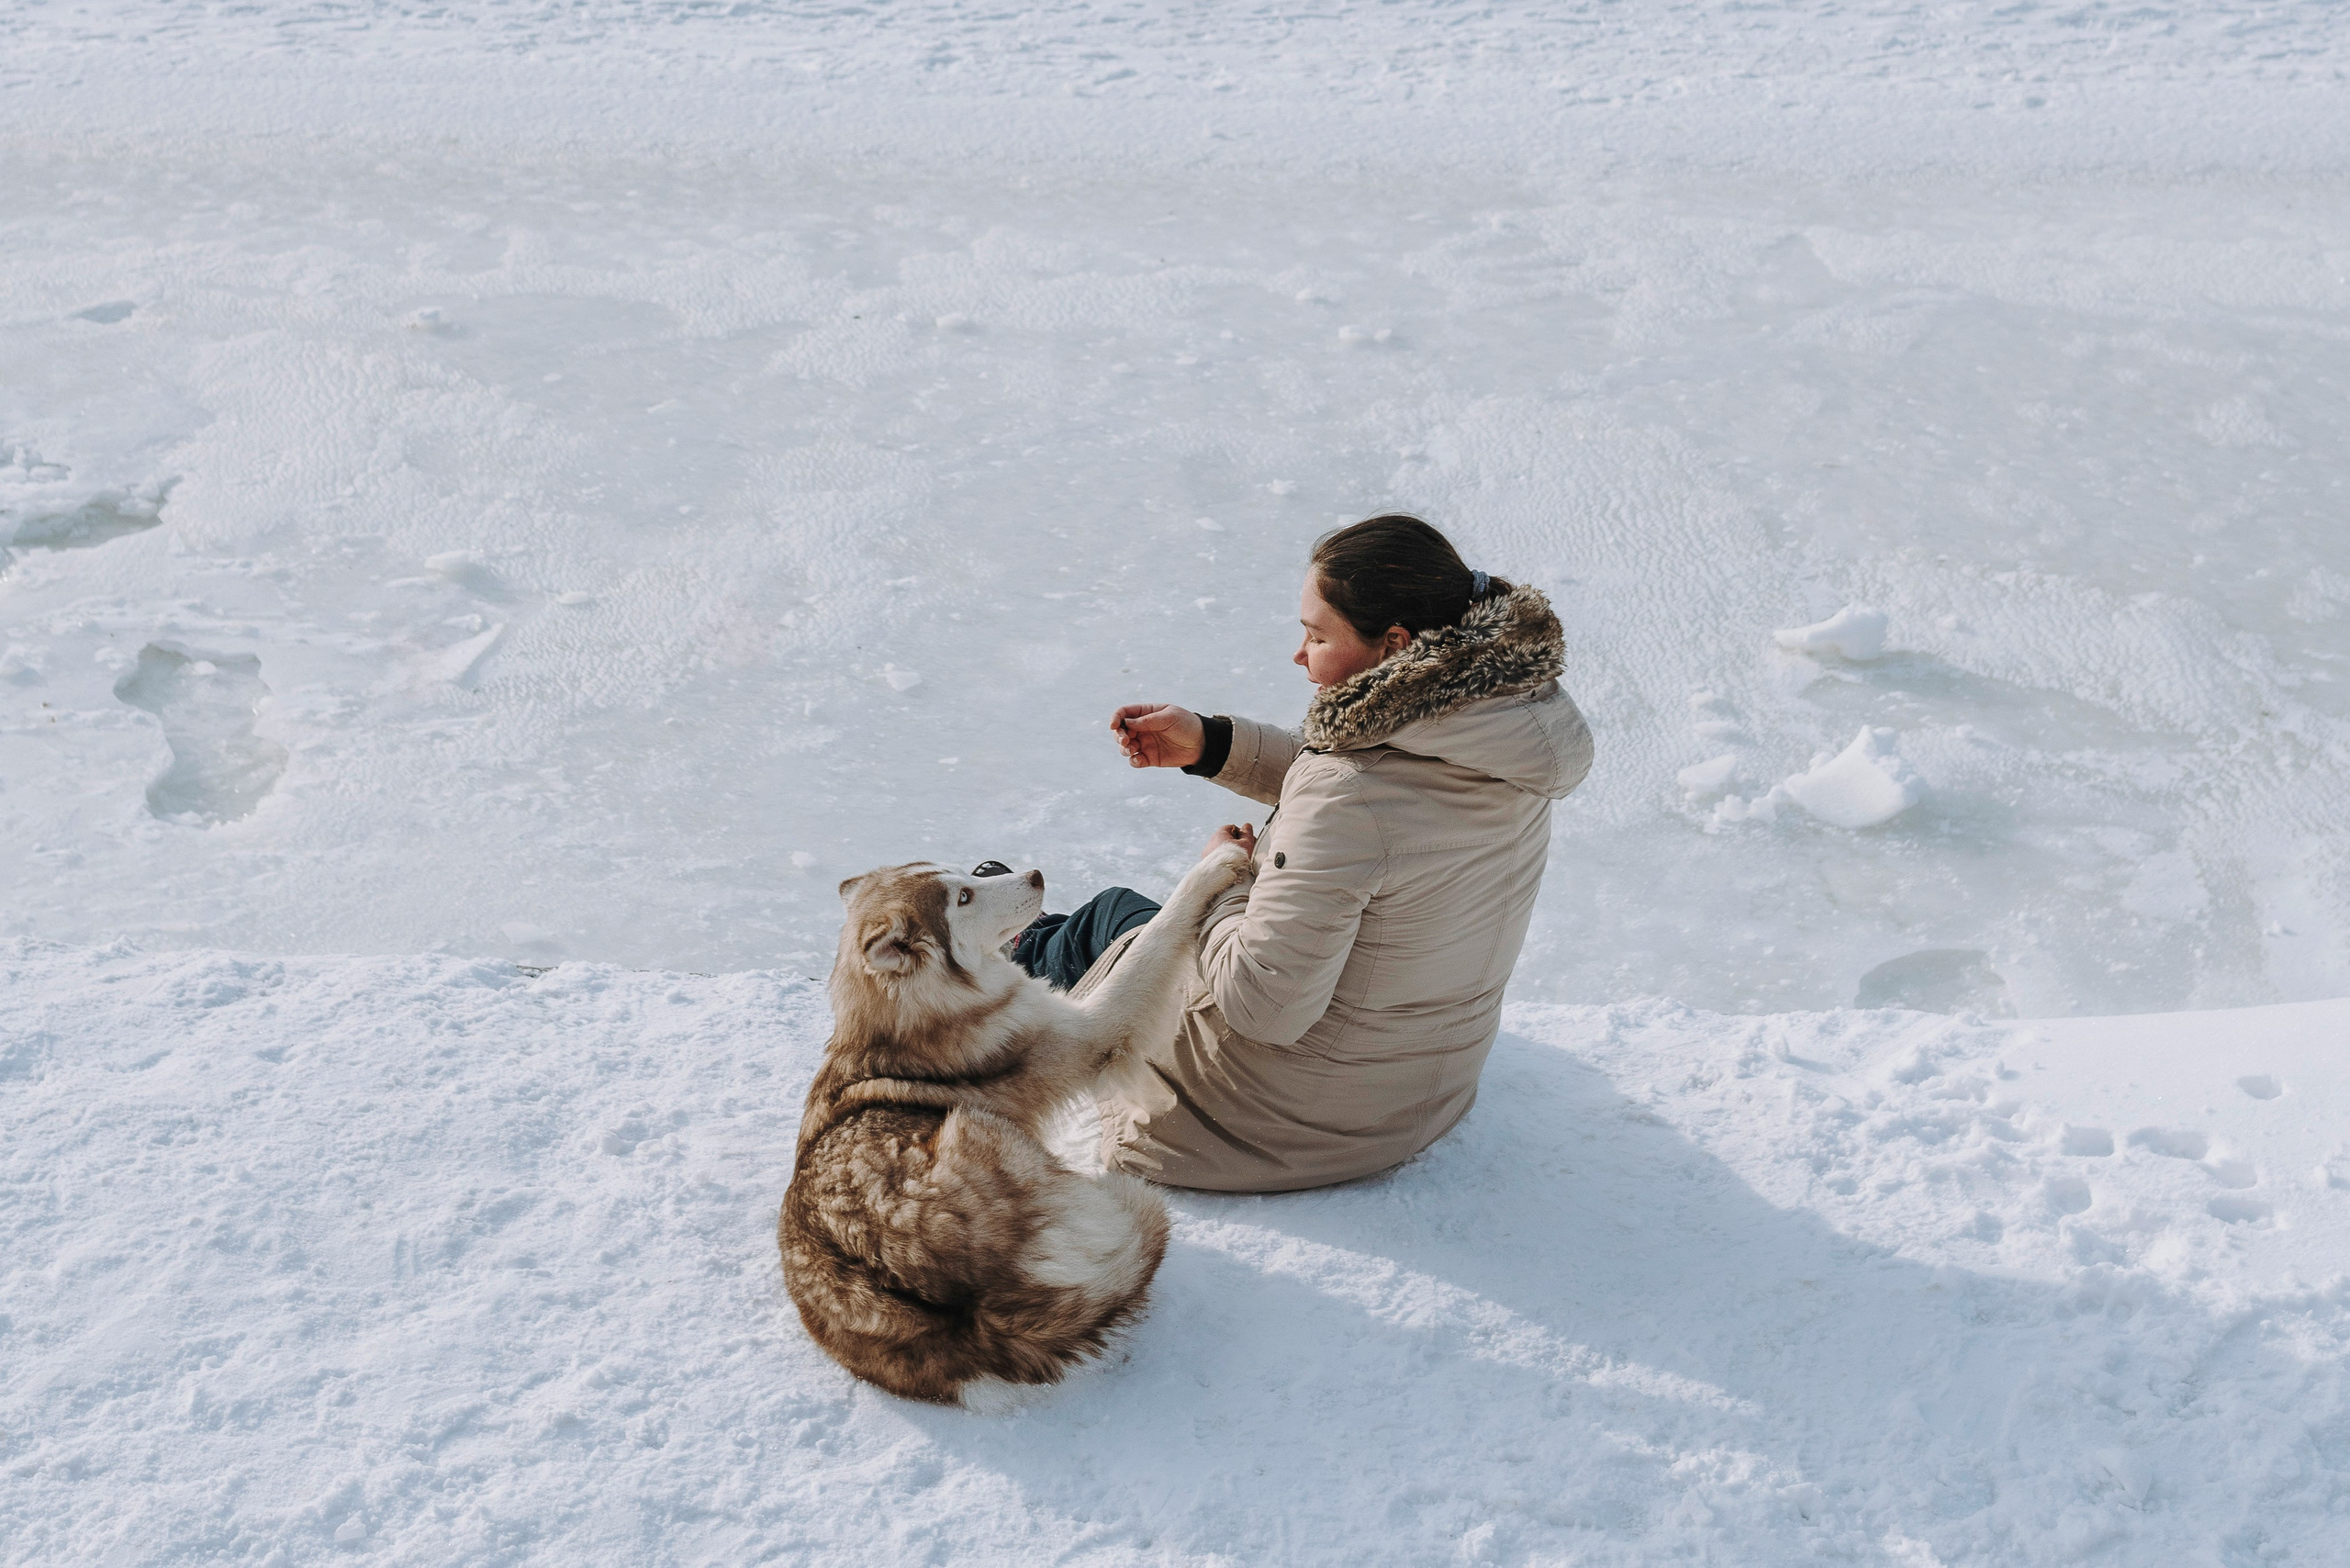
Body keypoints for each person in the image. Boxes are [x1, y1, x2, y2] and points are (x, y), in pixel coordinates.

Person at [1005, 514, 1594, 1193]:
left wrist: (1219, 885)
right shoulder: (1501, 725)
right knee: (1122, 924)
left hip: (1266, 1122)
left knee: (1114, 923)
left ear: (1394, 644)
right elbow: (1381, 795)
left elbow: (1266, 1005)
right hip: (1419, 1088)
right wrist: (1212, 744)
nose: (1299, 655)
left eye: (1317, 636)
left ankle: (1002, 952)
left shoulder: (1351, 796)